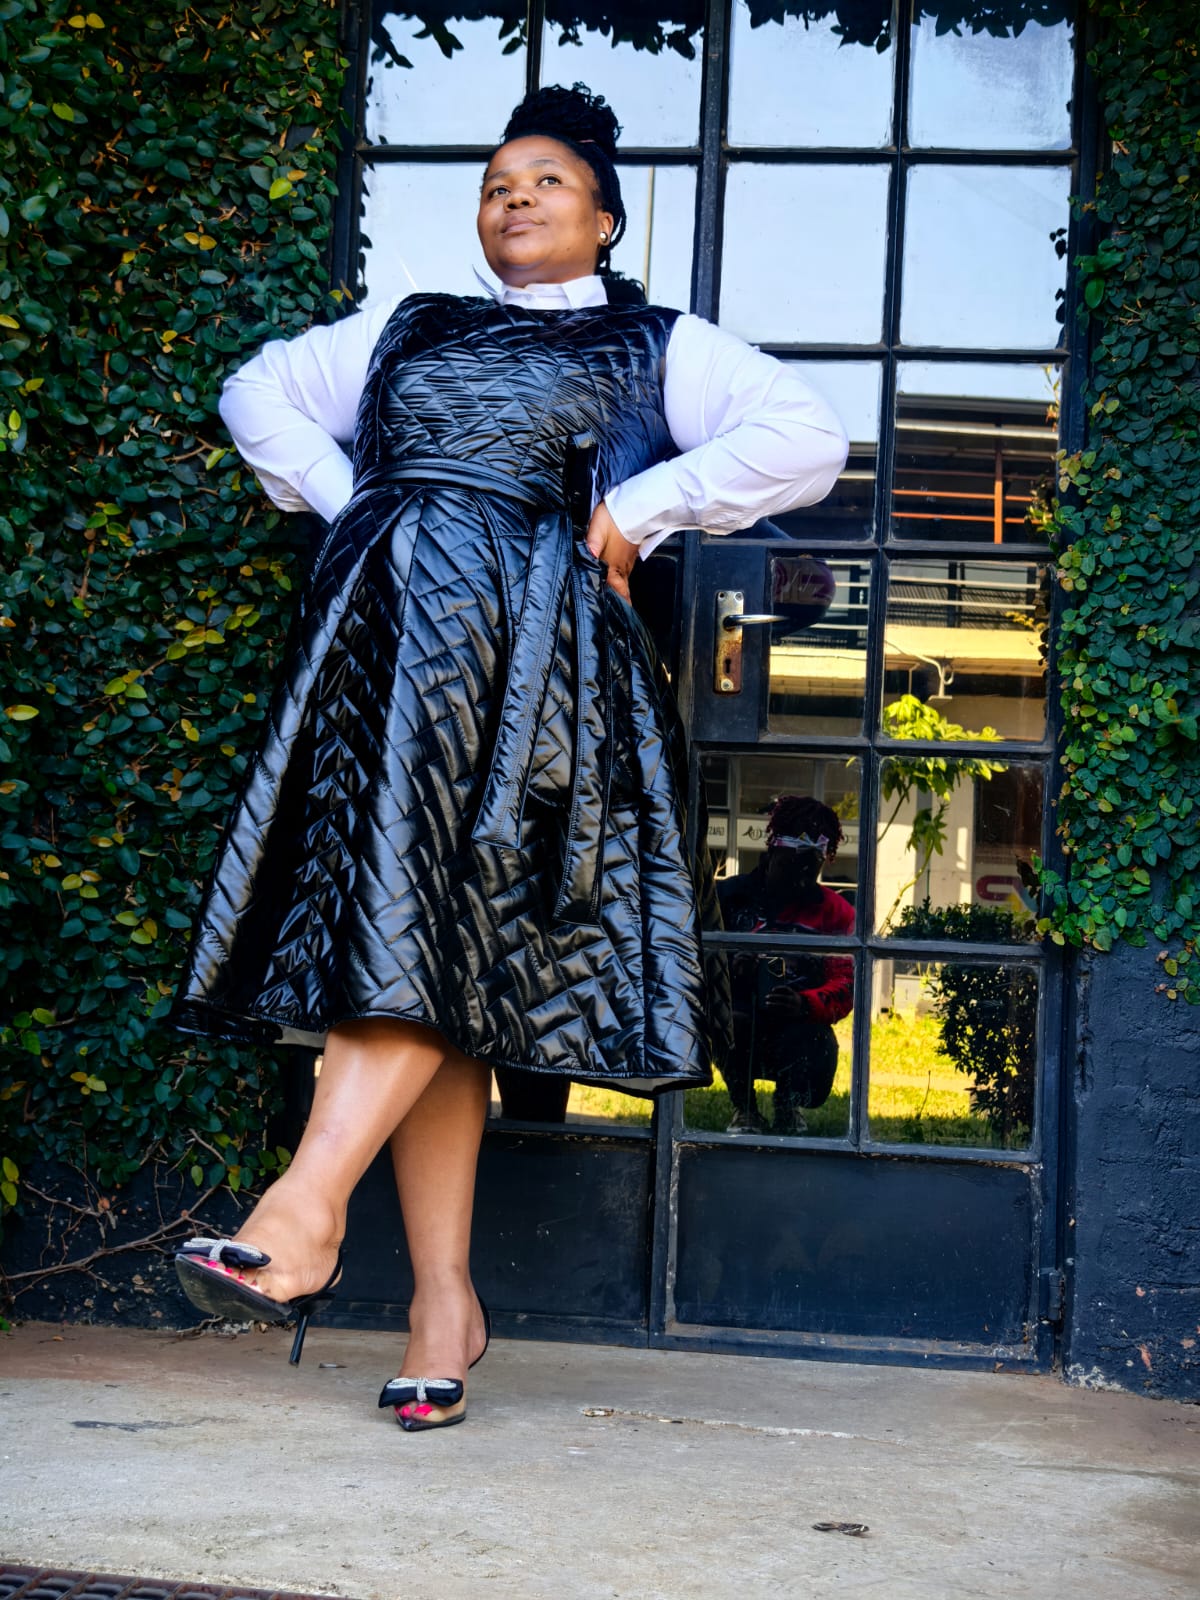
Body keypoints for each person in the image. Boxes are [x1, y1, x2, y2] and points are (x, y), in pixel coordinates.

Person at [169, 83, 848, 1431]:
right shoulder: (409, 325)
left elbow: (809, 437)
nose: (515, 198)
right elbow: (257, 390)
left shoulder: (657, 343)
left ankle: (304, 1213)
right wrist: (356, 499)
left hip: (544, 675)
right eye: (495, 183)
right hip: (389, 663)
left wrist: (642, 508)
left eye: (546, 181)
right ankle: (444, 1309)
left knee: (436, 931)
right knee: (434, 956)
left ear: (605, 218)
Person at [717, 796, 854, 1135]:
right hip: (742, 1017)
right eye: (793, 867)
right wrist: (733, 971)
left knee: (814, 1041)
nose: (800, 881)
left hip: (799, 1026)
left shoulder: (835, 912)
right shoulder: (729, 898)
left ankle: (787, 1106)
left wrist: (804, 1004)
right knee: (729, 1023)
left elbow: (847, 982)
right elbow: (694, 967)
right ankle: (745, 1109)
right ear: (771, 854)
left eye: (811, 869)